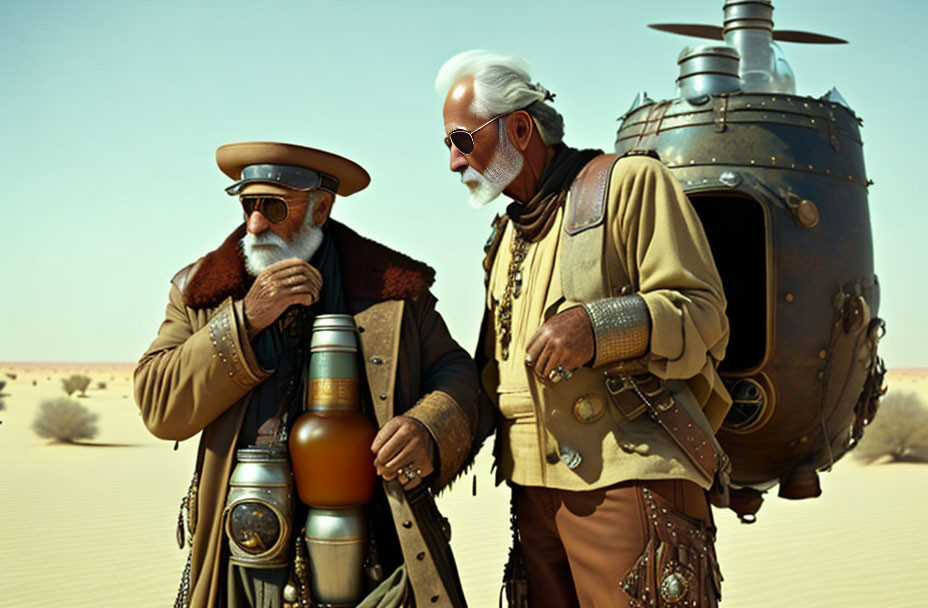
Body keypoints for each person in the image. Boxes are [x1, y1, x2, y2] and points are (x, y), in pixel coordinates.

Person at [435, 51, 732, 608]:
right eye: (447, 146)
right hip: (532, 499)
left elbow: (704, 314)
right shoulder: (504, 241)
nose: (454, 162)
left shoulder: (629, 185)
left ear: (519, 128)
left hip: (628, 487)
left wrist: (599, 326)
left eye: (462, 140)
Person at [134, 141, 480, 608]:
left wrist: (428, 425)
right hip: (240, 559)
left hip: (371, 556)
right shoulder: (201, 290)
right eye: (248, 205)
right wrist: (245, 320)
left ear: (321, 207)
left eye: (273, 207)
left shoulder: (392, 289)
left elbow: (458, 374)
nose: (254, 225)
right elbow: (159, 405)